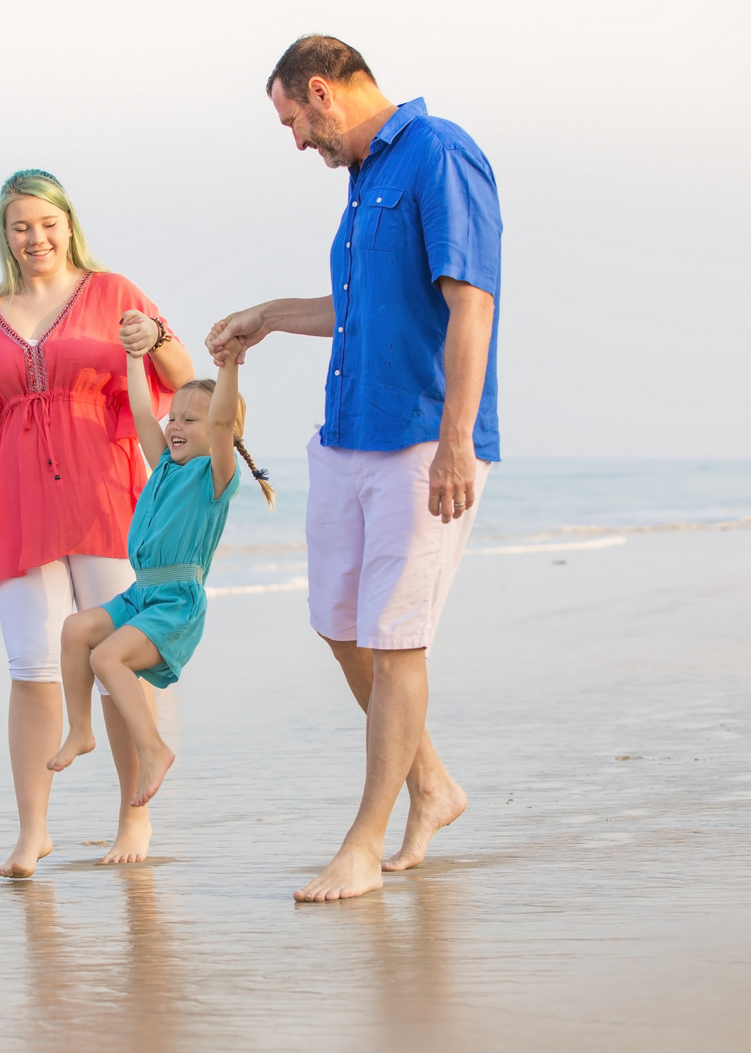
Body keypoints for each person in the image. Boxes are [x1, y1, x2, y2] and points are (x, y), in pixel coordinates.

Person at [207, 36, 503, 902]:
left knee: (397, 638)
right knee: (341, 625)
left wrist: (456, 440)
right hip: (346, 436)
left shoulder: (439, 153)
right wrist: (268, 315)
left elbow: (471, 302)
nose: (297, 141)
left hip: (419, 438)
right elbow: (362, 306)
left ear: (322, 91)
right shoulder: (364, 177)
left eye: (293, 122)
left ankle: (364, 844)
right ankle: (433, 785)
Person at [0, 170, 195, 879]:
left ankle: (134, 815)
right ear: (5, 235)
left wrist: (156, 335)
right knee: (32, 668)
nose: (36, 238)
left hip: (107, 495)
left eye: (47, 223)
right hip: (21, 503)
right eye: (20, 226)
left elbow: (181, 375)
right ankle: (33, 831)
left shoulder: (113, 290)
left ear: (68, 225)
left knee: (118, 657)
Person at [48, 312, 275, 806]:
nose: (175, 426)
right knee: (75, 630)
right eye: (175, 417)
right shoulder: (165, 468)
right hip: (140, 595)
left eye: (189, 420)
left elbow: (221, 421)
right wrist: (135, 357)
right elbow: (141, 413)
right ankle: (81, 730)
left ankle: (154, 749)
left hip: (175, 603)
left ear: (221, 431)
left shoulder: (215, 477)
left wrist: (229, 365)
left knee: (107, 657)